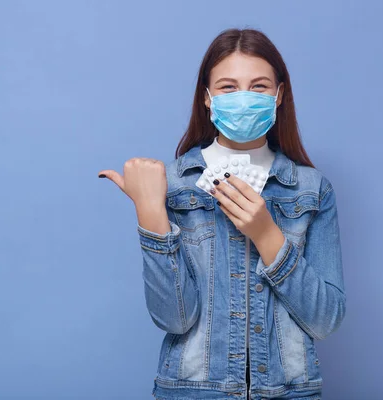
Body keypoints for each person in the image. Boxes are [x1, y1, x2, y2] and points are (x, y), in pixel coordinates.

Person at [98, 28, 346, 400]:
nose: (244, 98)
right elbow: (174, 319)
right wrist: (150, 211)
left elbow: (325, 320)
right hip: (192, 391)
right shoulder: (172, 185)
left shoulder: (311, 190)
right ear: (208, 98)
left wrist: (267, 236)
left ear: (278, 95)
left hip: (289, 392)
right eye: (229, 87)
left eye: (259, 86)